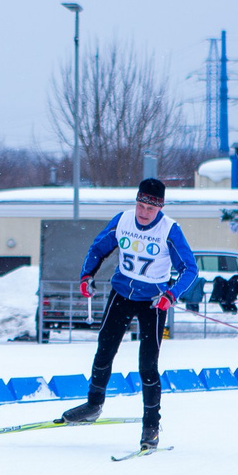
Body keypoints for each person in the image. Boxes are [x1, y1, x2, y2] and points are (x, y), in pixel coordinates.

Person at [56, 177, 198, 453]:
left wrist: (171, 294)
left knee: (147, 365)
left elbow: (190, 269)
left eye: (151, 208)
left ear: (160, 207)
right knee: (104, 351)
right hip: (121, 295)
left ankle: (151, 426)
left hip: (153, 302)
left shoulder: (170, 230)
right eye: (141, 205)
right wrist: (87, 275)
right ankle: (93, 405)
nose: (144, 213)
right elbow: (98, 249)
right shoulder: (122, 220)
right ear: (136, 201)